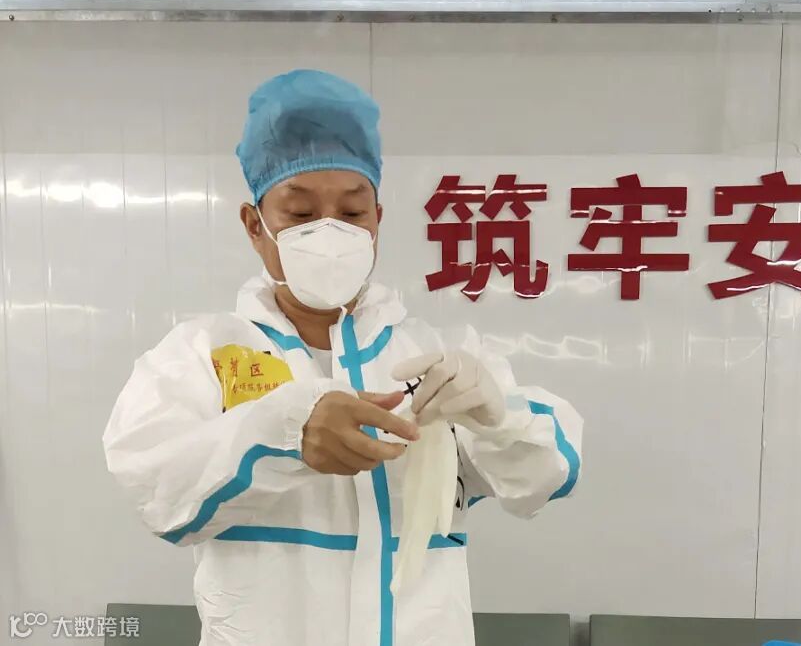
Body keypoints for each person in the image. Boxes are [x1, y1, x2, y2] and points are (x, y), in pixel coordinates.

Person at [102, 69, 583, 646]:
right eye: (300, 215)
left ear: (378, 221)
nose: (329, 233)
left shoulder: (434, 357)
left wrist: (499, 418)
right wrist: (283, 434)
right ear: (255, 225)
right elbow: (153, 486)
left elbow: (546, 476)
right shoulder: (202, 353)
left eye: (353, 214)